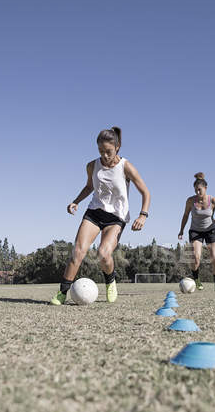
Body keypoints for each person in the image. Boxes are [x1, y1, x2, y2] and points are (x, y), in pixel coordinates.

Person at [51, 127, 151, 305]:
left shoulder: (125, 166)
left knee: (103, 254)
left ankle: (110, 280)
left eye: (108, 151)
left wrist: (143, 215)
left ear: (117, 147)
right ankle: (62, 292)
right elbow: (89, 187)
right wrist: (76, 201)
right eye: (101, 151)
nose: (104, 155)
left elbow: (145, 192)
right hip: (94, 212)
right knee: (78, 252)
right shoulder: (92, 165)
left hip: (116, 218)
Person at [178, 172, 215, 292]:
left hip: (210, 230)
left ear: (205, 188)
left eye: (199, 190)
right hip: (195, 231)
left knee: (214, 258)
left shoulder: (213, 201)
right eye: (195, 190)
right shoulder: (190, 201)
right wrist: (181, 230)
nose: (197, 192)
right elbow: (185, 215)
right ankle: (197, 280)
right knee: (196, 258)